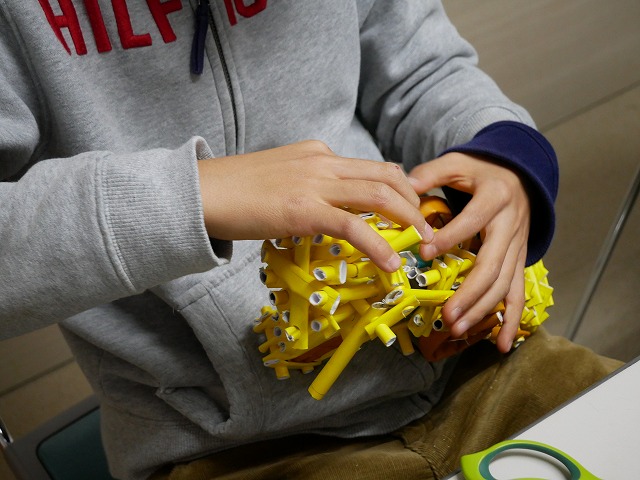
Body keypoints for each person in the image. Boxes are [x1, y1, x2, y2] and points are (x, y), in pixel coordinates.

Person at [0, 1, 620, 479]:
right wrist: (190, 198)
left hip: (478, 363)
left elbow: (422, 67)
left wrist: (505, 153)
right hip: (230, 450)